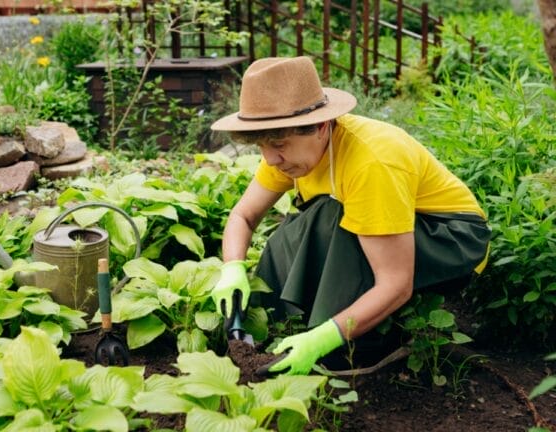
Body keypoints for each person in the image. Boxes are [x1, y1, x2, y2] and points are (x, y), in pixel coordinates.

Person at [209, 56, 491, 375]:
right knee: (291, 232)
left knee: (333, 218)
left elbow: (397, 283)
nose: (271, 159)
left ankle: (357, 350)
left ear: (319, 126)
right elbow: (244, 215)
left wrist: (323, 339)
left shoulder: (371, 162)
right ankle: (275, 332)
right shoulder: (286, 152)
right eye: (260, 146)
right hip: (391, 231)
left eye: (277, 144)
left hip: (449, 240)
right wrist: (232, 267)